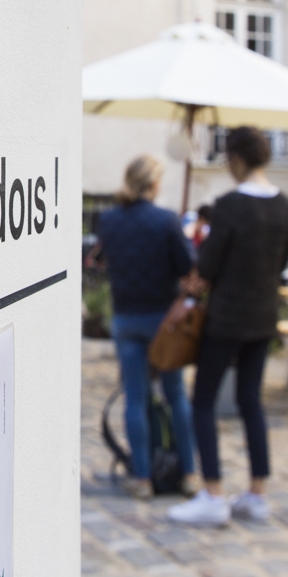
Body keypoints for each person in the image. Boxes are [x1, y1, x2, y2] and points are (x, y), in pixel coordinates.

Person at [169, 126, 288, 526]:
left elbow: (207, 265)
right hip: (264, 316)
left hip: (226, 318)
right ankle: (257, 493)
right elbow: (283, 260)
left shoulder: (229, 205)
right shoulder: (285, 206)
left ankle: (213, 493)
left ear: (237, 159)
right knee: (251, 402)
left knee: (203, 401)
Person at [95, 155, 197, 499]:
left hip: (126, 317)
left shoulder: (109, 220)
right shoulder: (166, 220)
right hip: (162, 320)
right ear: (154, 184)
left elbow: (103, 260)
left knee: (135, 397)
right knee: (175, 394)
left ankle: (142, 478)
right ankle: (189, 473)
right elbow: (187, 265)